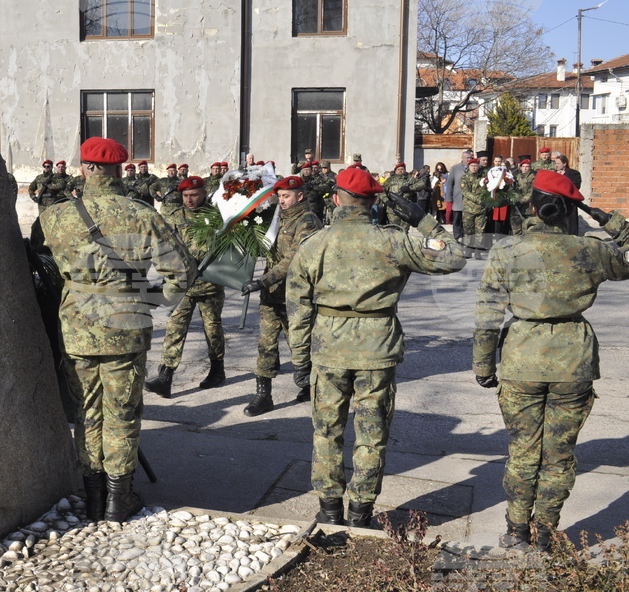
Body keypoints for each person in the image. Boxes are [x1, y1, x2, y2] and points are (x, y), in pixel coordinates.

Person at [287, 168, 466, 527]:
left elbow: (298, 306)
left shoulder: (314, 244)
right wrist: (425, 222)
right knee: (371, 434)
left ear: (336, 199)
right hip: (377, 346)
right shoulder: (394, 240)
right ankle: (360, 512)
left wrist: (299, 358)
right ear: (370, 202)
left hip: (329, 346)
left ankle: (329, 509)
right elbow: (455, 256)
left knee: (326, 431)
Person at [39, 137, 195, 523]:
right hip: (126, 324)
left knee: (87, 413)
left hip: (76, 327)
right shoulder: (142, 214)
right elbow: (183, 271)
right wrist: (157, 300)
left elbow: (43, 264)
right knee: (122, 413)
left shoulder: (56, 216)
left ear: (86, 169)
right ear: (120, 169)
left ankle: (92, 498)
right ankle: (117, 501)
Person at [473, 172, 629, 551]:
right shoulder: (590, 249)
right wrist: (608, 219)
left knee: (523, 450)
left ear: (532, 208)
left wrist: (483, 366)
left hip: (521, 358)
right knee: (559, 455)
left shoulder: (508, 251)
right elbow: (626, 255)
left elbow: (487, 315)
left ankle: (515, 531)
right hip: (572, 361)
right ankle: (545, 532)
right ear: (569, 210)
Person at [240, 176, 322, 416]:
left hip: (296, 296)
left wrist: (261, 281)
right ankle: (263, 396)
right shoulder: (277, 219)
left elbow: (294, 259)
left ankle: (311, 386)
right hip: (272, 295)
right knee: (266, 345)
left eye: (286, 196)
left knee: (300, 344)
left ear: (300, 196)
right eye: (280, 196)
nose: (282, 201)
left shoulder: (308, 222)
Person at [146, 176, 227, 397]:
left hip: (210, 284)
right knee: (175, 328)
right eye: (185, 196)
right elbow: (163, 248)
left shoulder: (216, 217)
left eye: (193, 195)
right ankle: (166, 376)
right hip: (183, 286)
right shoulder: (172, 217)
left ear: (203, 194)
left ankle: (217, 370)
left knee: (212, 329)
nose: (189, 200)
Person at [444, 149, 473, 241]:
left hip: (469, 201)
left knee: (467, 221)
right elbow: (449, 184)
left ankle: (465, 238)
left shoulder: (473, 168)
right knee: (456, 220)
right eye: (467, 158)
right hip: (457, 199)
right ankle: (456, 236)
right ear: (462, 158)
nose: (469, 160)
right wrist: (448, 199)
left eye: (471, 158)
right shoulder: (454, 168)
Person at [460, 158, 488, 250]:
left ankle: (478, 250)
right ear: (468, 166)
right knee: (468, 231)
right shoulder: (464, 178)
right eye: (472, 166)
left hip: (481, 210)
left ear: (479, 166)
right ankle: (467, 249)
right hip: (469, 209)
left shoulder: (483, 178)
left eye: (475, 166)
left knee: (480, 231)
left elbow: (487, 190)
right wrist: (479, 200)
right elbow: (466, 192)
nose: (474, 167)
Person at [552, 155, 582, 235]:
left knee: (571, 223)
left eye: (558, 163)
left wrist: (562, 179)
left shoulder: (573, 173)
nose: (556, 165)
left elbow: (575, 186)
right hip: (557, 201)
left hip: (569, 201)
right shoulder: (554, 174)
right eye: (556, 163)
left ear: (564, 163)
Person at [510, 159, 536, 236]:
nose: (525, 168)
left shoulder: (533, 177)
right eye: (523, 166)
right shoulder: (515, 177)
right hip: (516, 209)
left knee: (527, 231)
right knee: (516, 231)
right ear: (520, 167)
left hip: (527, 209)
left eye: (527, 166)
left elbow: (532, 192)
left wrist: (521, 200)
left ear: (530, 167)